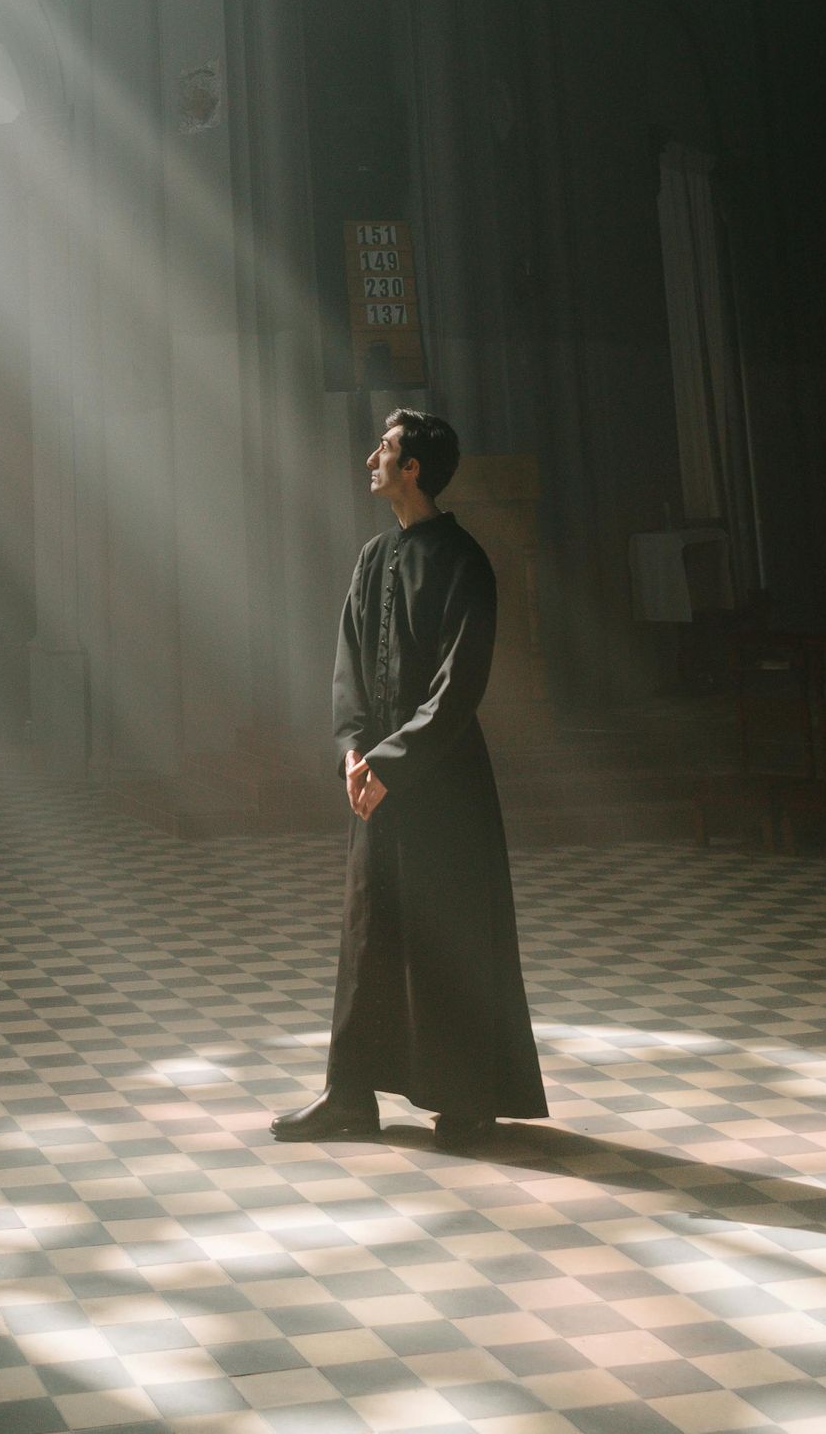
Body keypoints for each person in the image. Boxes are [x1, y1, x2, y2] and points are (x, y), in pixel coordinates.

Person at [272, 407, 547, 1148]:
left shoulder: (464, 560)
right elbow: (347, 669)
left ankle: (463, 1102)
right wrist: (354, 755)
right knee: (369, 934)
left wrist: (393, 763)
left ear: (413, 467)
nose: (372, 457)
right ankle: (349, 1096)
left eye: (385, 448)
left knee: (450, 935)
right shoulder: (371, 559)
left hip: (444, 781)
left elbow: (459, 688)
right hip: (376, 783)